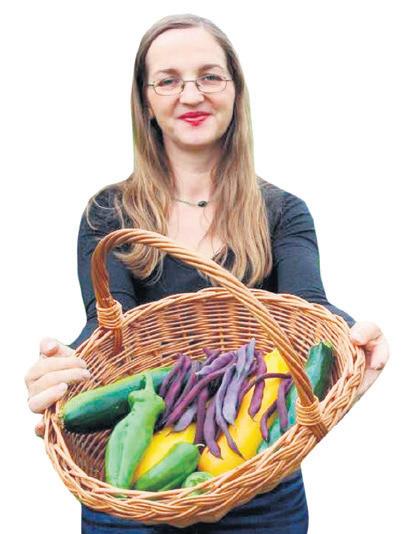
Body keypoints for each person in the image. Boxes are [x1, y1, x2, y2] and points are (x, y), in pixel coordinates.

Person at [24, 13, 390, 534]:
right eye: (168, 80)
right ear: (145, 102)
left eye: (210, 76)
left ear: (235, 90)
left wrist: (352, 344)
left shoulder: (282, 212)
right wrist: (64, 374)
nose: (191, 94)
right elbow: (109, 329)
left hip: (260, 484)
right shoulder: (108, 215)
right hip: (137, 485)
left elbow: (309, 309)